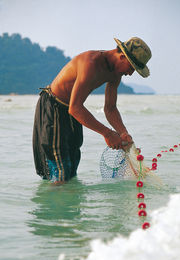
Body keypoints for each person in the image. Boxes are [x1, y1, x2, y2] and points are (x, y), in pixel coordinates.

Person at [32, 37, 152, 184]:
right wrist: (107, 134)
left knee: (71, 169)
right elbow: (75, 107)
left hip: (72, 111)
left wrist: (123, 133)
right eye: (132, 67)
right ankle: (52, 201)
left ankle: (69, 206)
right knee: (60, 171)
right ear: (122, 57)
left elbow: (110, 108)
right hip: (54, 107)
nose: (131, 73)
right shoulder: (91, 63)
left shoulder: (116, 73)